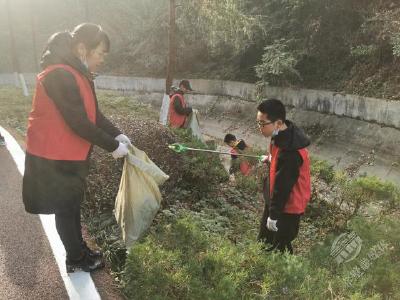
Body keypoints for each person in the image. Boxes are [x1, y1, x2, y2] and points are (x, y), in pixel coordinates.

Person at [22, 23, 131, 273]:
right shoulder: (59, 74)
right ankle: (76, 258)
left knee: (71, 204)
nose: (103, 59)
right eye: (101, 53)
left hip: (68, 154)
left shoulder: (79, 74)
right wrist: (112, 146)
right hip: (53, 156)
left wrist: (118, 135)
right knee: (66, 208)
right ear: (82, 48)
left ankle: (79, 250)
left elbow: (95, 115)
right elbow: (78, 121)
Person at [256, 99, 311, 254]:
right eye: (258, 122)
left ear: (278, 123)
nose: (259, 127)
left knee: (279, 249)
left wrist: (273, 216)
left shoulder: (291, 152)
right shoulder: (279, 136)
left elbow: (283, 186)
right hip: (275, 202)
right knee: (263, 242)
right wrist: (271, 160)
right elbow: (278, 166)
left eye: (262, 123)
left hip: (287, 208)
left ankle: (285, 275)